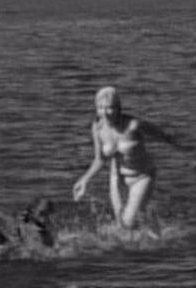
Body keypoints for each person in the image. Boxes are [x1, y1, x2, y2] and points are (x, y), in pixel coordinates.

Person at [73, 86, 181, 230]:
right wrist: (84, 180)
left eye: (109, 108)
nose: (105, 113)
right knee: (120, 224)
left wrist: (176, 143)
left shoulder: (133, 125)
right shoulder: (97, 127)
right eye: (100, 108)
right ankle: (144, 234)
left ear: (118, 108)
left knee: (129, 222)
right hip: (117, 177)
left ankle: (153, 232)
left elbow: (159, 134)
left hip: (142, 176)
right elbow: (100, 159)